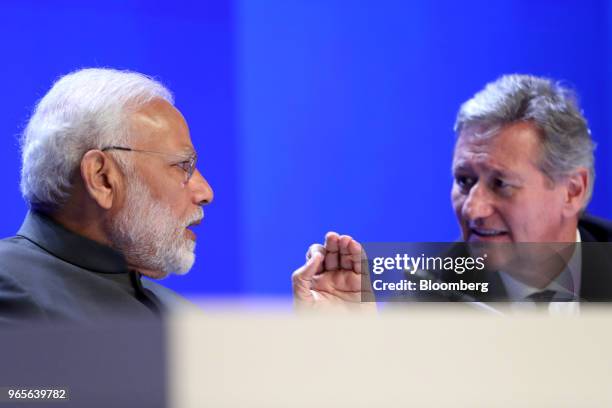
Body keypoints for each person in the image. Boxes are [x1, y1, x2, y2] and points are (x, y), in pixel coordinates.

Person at [293, 74, 612, 309]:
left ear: (572, 191)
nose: (474, 209)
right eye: (464, 181)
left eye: (501, 184)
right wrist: (352, 348)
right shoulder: (427, 298)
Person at [0, 68, 213, 324]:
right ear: (101, 178)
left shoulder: (185, 317)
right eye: (182, 165)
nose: (205, 192)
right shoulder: (9, 287)